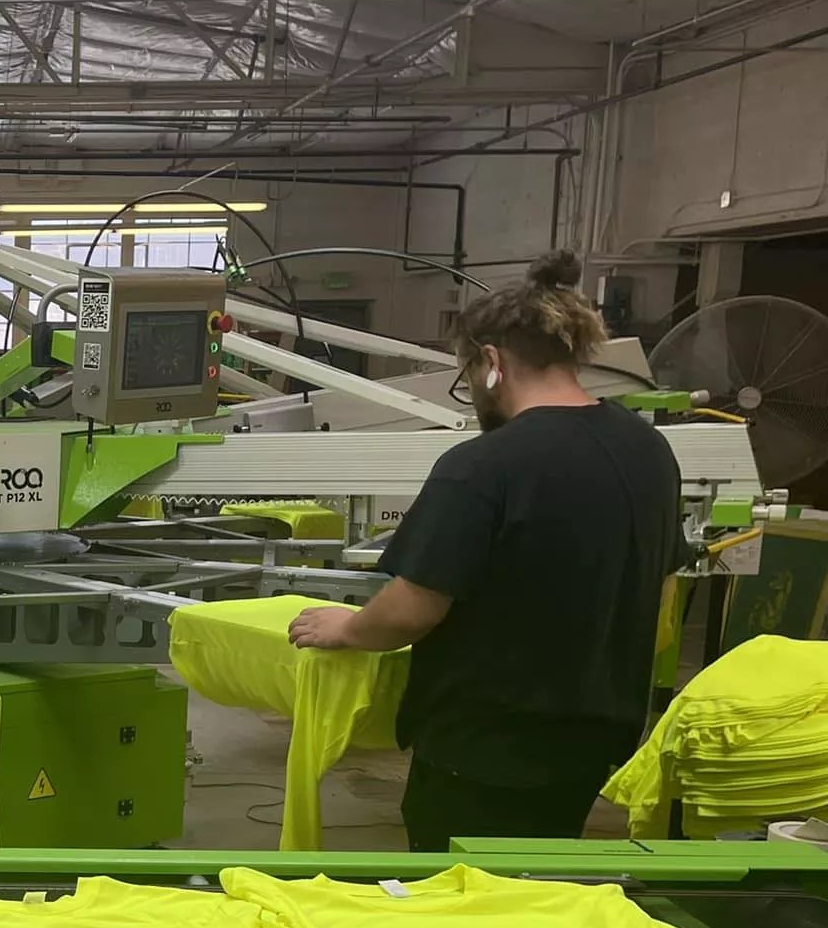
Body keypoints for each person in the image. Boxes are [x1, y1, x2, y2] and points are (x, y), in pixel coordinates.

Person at [286, 250, 688, 852]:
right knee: (540, 890)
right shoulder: (649, 449)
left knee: (463, 902)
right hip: (594, 742)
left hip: (484, 749)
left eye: (468, 373)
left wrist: (346, 628)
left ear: (492, 363)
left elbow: (410, 611)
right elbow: (657, 588)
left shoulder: (484, 466)